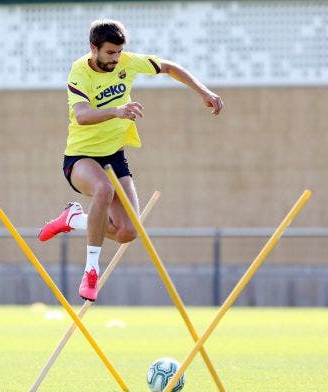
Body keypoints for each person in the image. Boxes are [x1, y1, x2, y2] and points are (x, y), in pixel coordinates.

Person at [38, 19, 223, 302]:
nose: (115, 59)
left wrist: (204, 92)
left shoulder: (127, 62)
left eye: (119, 53)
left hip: (115, 156)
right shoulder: (79, 71)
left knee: (128, 232)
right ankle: (90, 271)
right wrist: (117, 111)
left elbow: (170, 67)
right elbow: (83, 116)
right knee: (103, 189)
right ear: (93, 48)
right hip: (81, 157)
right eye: (110, 53)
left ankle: (74, 219)